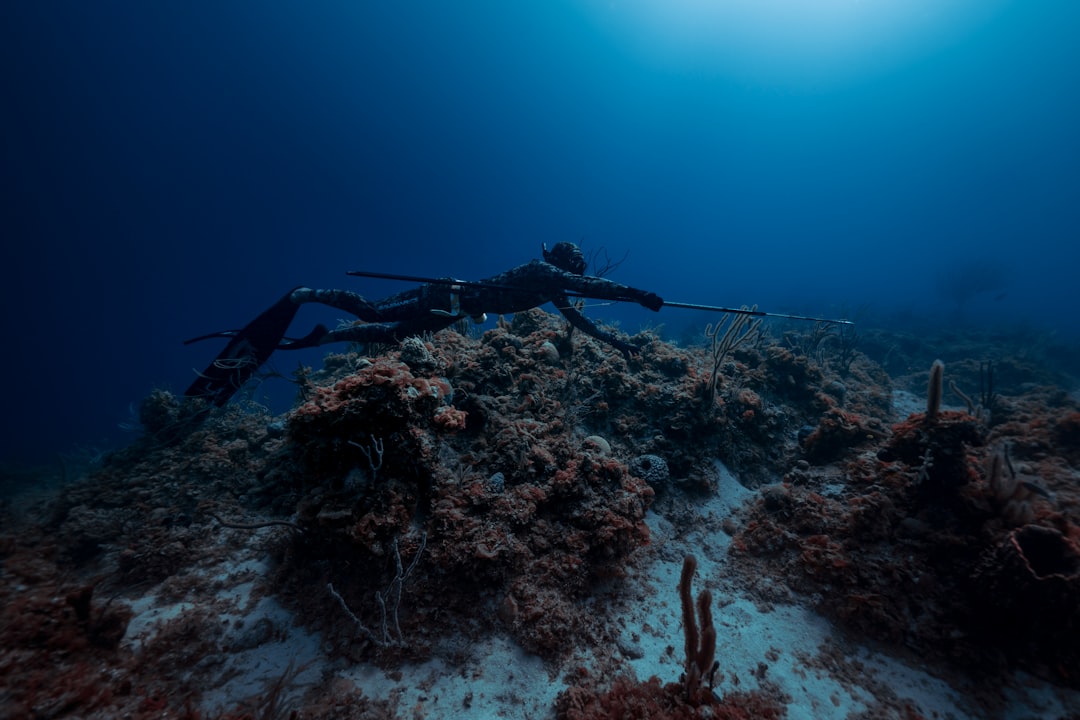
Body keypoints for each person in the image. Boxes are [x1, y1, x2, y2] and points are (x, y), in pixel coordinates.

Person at [185, 242, 663, 406]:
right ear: (561, 264)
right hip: (440, 294)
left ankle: (312, 339)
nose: (570, 277)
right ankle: (309, 295)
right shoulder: (542, 273)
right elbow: (593, 290)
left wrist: (617, 345)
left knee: (387, 336)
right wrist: (636, 294)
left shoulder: (554, 287)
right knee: (374, 313)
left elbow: (579, 315)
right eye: (570, 269)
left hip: (446, 312)